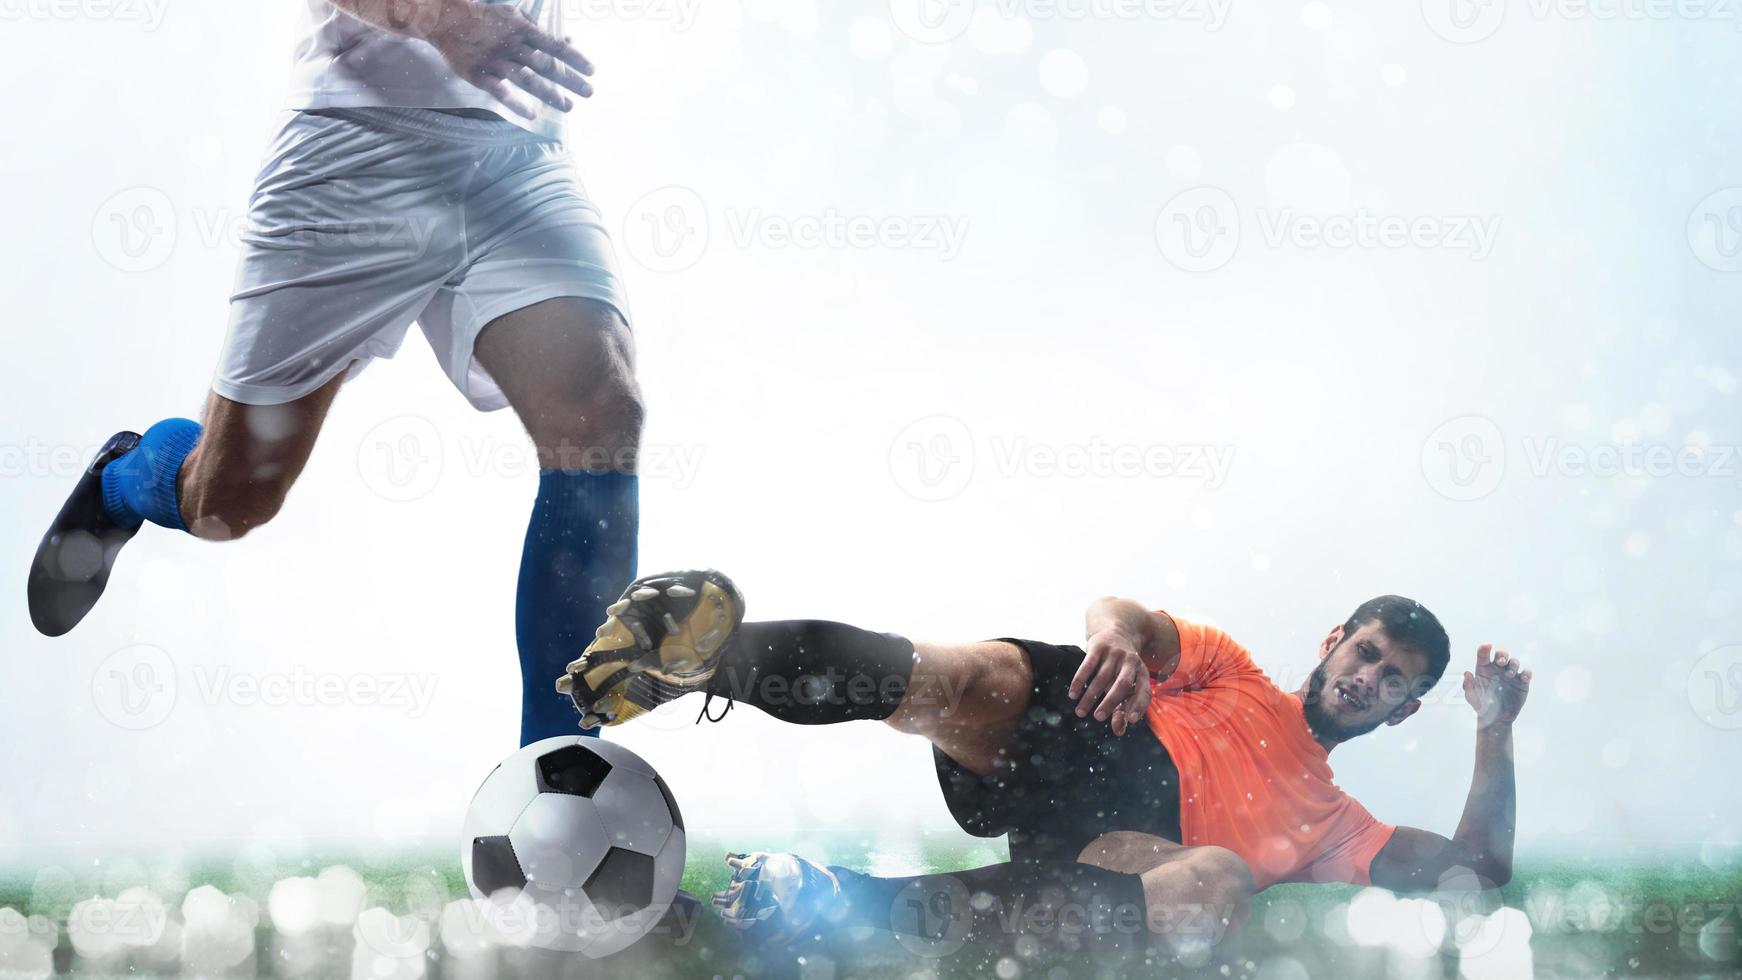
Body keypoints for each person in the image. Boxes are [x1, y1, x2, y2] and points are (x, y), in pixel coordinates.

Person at [28, 0, 642, 747]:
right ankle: (127, 480)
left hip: (518, 153)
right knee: (230, 504)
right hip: (352, 152)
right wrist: (436, 18)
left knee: (599, 417)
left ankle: (565, 784)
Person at [558, 569, 1531, 954]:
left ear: (1405, 711)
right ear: (1333, 640)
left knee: (1216, 880)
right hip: (1097, 722)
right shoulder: (1228, 668)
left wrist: (1492, 728)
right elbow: (1131, 616)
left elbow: (1476, 869)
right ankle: (681, 658)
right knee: (956, 675)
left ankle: (828, 900)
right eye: (1363, 652)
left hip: (1116, 841)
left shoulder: (1336, 823)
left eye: (1391, 679)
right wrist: (1111, 635)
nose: (1366, 678)